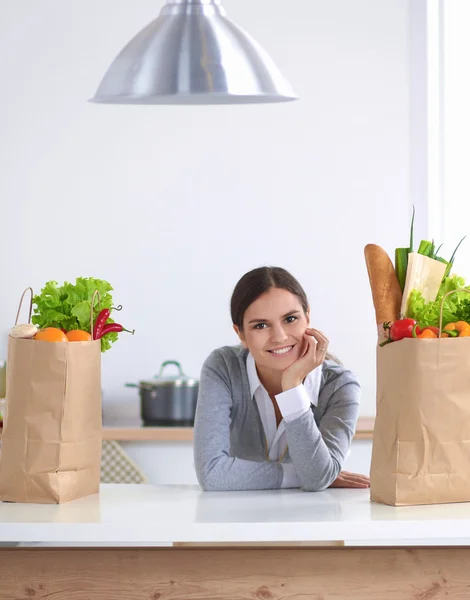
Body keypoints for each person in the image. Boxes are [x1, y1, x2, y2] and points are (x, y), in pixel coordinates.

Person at [194, 266, 370, 491]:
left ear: (307, 316)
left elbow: (316, 478)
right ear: (240, 334)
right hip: (237, 518)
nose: (279, 337)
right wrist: (305, 474)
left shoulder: (340, 387)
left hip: (312, 520)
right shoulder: (224, 367)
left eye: (290, 319)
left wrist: (292, 386)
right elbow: (212, 474)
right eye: (260, 325)